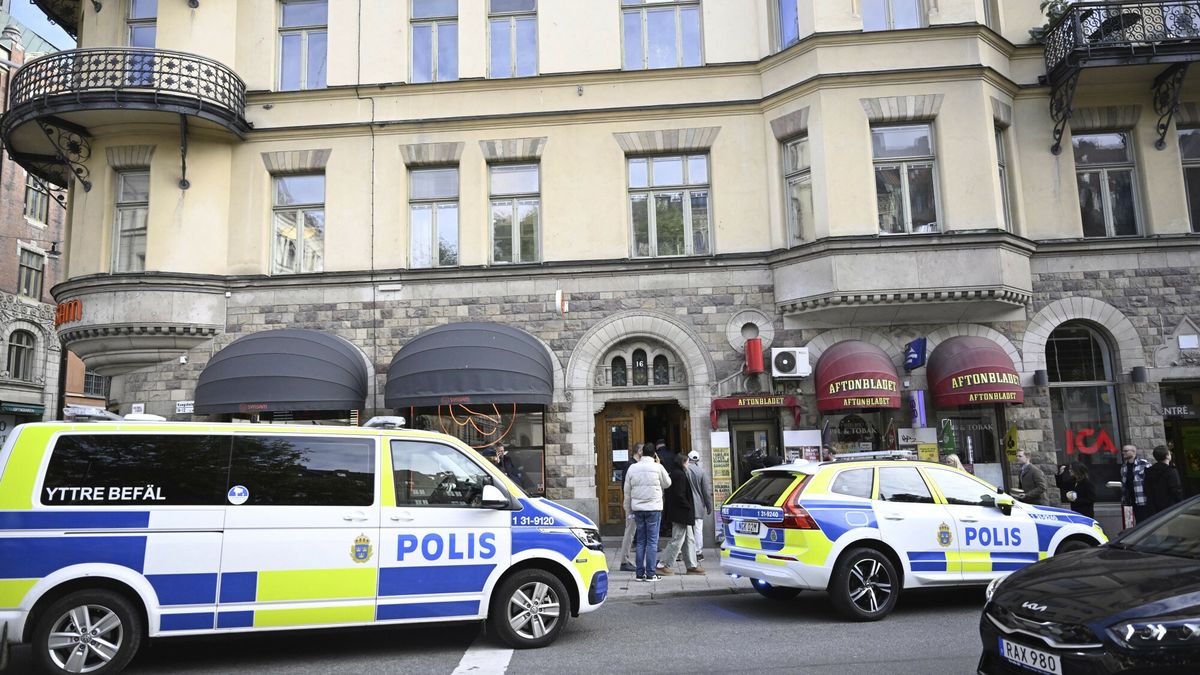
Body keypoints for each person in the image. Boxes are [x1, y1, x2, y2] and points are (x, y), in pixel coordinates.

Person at [623, 442, 671, 581]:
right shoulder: (658, 467)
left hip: (638, 508)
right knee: (652, 542)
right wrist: (658, 463)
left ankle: (639, 573)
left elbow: (627, 491)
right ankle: (650, 574)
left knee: (640, 542)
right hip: (654, 508)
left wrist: (628, 508)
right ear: (654, 454)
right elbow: (668, 483)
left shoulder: (632, 468)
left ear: (642, 453)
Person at [659, 453, 703, 575]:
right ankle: (663, 564)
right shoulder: (679, 475)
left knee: (689, 539)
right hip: (681, 513)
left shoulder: (676, 473)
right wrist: (688, 506)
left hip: (682, 512)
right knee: (677, 539)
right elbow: (679, 495)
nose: (688, 464)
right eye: (687, 462)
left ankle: (692, 565)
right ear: (683, 463)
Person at [616, 443, 645, 572]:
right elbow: (628, 487)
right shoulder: (631, 465)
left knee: (632, 531)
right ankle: (624, 561)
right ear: (639, 451)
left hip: (633, 502)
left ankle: (626, 560)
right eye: (643, 451)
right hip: (631, 503)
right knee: (630, 531)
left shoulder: (632, 464)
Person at [685, 450, 713, 562]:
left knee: (686, 530)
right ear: (698, 460)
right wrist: (709, 506)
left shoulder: (685, 470)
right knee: (698, 530)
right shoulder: (701, 472)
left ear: (688, 458)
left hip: (686, 504)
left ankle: (686, 551)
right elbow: (706, 492)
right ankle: (698, 552)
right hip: (698, 505)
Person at [1144, 445, 1183, 517]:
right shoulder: (1171, 471)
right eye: (1169, 453)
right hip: (1170, 507)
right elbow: (1176, 490)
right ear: (1167, 456)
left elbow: (1146, 490)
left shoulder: (1149, 471)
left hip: (1154, 508)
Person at [1120, 444, 1151, 524]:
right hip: (1130, 500)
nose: (1123, 453)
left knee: (1145, 522)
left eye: (1126, 451)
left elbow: (1151, 481)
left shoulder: (1144, 464)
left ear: (1133, 452)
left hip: (1143, 499)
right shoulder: (1124, 467)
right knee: (1135, 523)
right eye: (1123, 451)